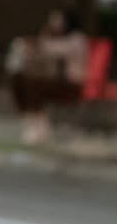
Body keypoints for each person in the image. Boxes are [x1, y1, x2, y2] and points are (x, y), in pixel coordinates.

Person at [6, 8, 89, 144]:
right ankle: (34, 122)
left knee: (31, 84)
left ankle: (39, 126)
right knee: (19, 80)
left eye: (58, 21)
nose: (55, 25)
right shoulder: (61, 39)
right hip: (60, 83)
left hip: (73, 86)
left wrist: (44, 36)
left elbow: (50, 49)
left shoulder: (77, 39)